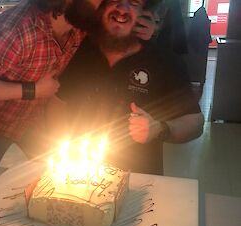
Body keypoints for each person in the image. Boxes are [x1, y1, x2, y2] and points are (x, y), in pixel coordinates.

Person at [0, 0, 156, 166]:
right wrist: (33, 91)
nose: (102, 4)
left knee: (52, 185)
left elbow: (115, 29)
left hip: (34, 124)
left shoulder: (79, 23)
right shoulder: (15, 32)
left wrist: (143, 27)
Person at [47, 0, 204, 175]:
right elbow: (58, 104)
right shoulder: (79, 51)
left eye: (133, 2)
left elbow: (195, 123)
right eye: (114, 0)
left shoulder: (165, 61)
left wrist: (161, 129)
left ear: (143, 14)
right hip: (79, 176)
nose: (122, 8)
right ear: (101, 9)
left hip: (139, 183)